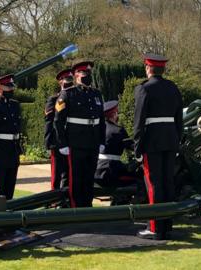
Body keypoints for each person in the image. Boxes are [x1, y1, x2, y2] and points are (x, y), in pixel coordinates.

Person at [133, 53, 183, 240]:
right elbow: (179, 120)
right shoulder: (173, 88)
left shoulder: (144, 89)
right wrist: (176, 141)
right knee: (167, 183)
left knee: (153, 185)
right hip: (170, 140)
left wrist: (137, 148)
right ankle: (167, 225)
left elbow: (139, 122)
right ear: (163, 69)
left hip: (151, 142)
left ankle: (154, 228)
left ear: (148, 68)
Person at [53, 60, 105, 207]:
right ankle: (76, 207)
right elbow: (58, 121)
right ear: (76, 76)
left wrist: (102, 141)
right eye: (84, 73)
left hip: (93, 142)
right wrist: (62, 143)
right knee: (76, 178)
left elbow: (101, 120)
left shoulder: (96, 94)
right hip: (75, 143)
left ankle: (87, 206)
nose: (87, 75)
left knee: (89, 177)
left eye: (89, 73)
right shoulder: (68, 94)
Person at [94, 100, 135, 187]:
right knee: (138, 178)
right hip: (111, 172)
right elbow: (132, 147)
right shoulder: (118, 130)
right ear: (114, 114)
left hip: (95, 170)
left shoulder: (96, 129)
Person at [44, 69, 73, 190]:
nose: (69, 83)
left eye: (70, 80)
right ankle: (54, 202)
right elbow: (50, 121)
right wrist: (48, 141)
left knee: (68, 174)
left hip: (71, 140)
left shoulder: (76, 97)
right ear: (60, 82)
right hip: (57, 142)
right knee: (56, 174)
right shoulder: (54, 99)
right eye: (66, 80)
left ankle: (65, 201)